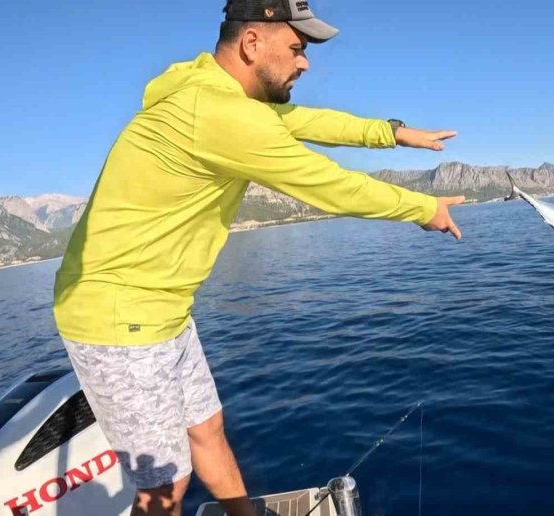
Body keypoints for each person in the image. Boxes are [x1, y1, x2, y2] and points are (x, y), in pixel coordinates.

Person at [52, 1, 464, 514]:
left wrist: (393, 133)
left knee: (207, 430)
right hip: (118, 314)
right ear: (251, 44)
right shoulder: (219, 114)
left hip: (163, 309)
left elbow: (308, 120)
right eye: (296, 49)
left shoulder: (210, 91)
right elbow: (329, 185)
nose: (305, 63)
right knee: (163, 490)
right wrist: (424, 208)